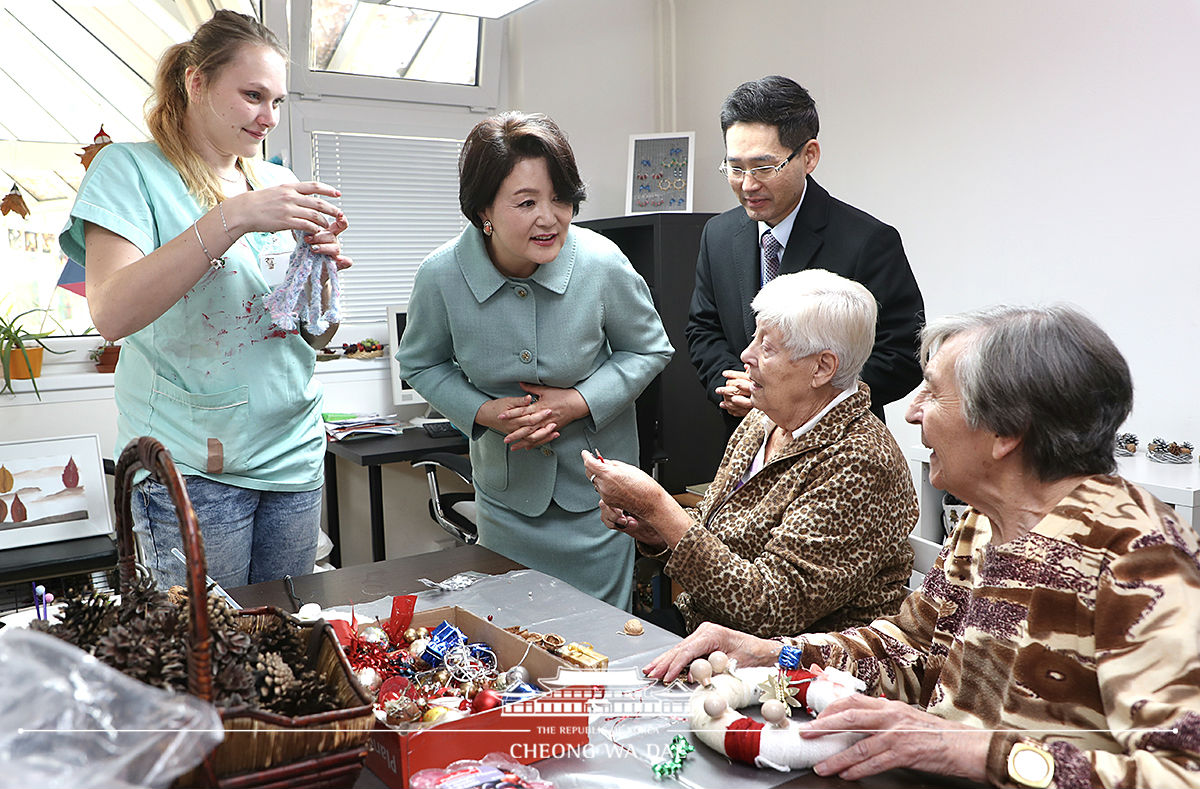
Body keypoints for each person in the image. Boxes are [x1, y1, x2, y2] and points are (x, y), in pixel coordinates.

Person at [645, 305, 1200, 788]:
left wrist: (972, 752)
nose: (910, 411)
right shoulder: (982, 524)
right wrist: (776, 655)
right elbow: (911, 649)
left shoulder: (1141, 560)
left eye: (932, 393)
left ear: (1007, 431)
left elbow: (1182, 773)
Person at [59, 10, 352, 590]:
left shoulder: (277, 181)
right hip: (193, 465)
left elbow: (313, 337)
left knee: (286, 643)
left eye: (278, 102)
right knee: (205, 660)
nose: (268, 118)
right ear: (195, 82)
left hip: (293, 453)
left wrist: (317, 279)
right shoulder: (129, 170)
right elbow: (112, 313)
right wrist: (231, 217)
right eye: (252, 95)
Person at [395, 112, 672, 610]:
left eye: (561, 198)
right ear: (484, 209)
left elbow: (650, 348)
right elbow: (420, 364)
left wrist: (578, 402)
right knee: (512, 640)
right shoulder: (441, 276)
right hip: (507, 503)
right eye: (527, 202)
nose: (550, 218)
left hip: (597, 502)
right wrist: (483, 413)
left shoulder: (602, 263)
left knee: (601, 645)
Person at [582, 269, 916, 637]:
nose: (746, 354)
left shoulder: (861, 462)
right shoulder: (763, 418)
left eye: (767, 346)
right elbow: (714, 530)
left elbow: (769, 612)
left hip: (794, 667)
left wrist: (658, 507)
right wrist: (655, 530)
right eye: (754, 338)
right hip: (708, 626)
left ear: (822, 367)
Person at [686, 75, 924, 430]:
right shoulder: (718, 235)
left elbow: (904, 353)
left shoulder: (868, 241)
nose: (748, 184)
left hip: (836, 445)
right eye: (735, 168)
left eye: (764, 167)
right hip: (745, 440)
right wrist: (732, 382)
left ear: (809, 156)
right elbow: (703, 328)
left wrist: (801, 397)